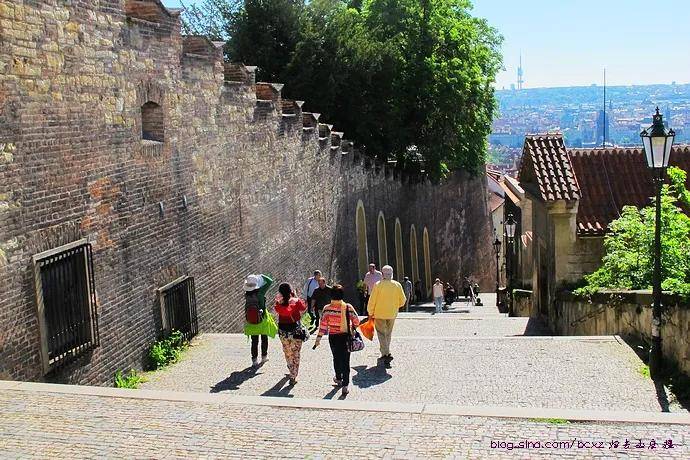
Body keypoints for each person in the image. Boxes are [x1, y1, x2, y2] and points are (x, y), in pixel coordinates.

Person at [314, 284, 360, 396]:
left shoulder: (327, 308)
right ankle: (345, 385)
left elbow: (323, 326)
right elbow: (357, 321)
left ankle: (338, 378)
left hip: (333, 337)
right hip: (345, 336)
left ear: (331, 295)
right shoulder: (348, 307)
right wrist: (351, 327)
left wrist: (318, 339)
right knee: (346, 360)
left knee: (336, 357)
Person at [367, 265, 406, 364]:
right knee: (388, 333)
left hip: (379, 313)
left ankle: (386, 352)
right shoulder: (397, 285)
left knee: (381, 333)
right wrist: (396, 306)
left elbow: (372, 300)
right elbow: (403, 300)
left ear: (382, 274)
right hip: (392, 313)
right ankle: (386, 351)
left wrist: (370, 312)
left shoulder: (378, 285)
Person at [274, 282, 308, 385]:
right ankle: (293, 375)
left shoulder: (278, 303)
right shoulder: (296, 301)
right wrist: (296, 296)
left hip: (283, 332)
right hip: (295, 331)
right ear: (290, 291)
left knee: (287, 352)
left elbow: (278, 309)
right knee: (296, 353)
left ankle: (290, 369)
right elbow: (303, 308)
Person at [243, 273, 274, 366]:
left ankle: (254, 360)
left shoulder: (247, 295)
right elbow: (270, 281)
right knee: (264, 338)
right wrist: (261, 276)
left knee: (254, 340)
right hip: (262, 319)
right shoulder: (260, 293)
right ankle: (264, 357)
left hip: (251, 321)